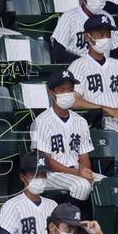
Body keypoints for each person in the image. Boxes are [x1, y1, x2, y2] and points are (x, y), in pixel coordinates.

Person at [33, 70, 100, 205]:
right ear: (52, 93)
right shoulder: (41, 121)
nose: (67, 93)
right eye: (62, 90)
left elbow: (84, 157)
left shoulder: (80, 121)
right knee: (81, 185)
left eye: (70, 89)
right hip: (50, 174)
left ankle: (93, 223)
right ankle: (67, 223)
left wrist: (84, 171)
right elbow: (45, 160)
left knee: (105, 183)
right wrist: (76, 173)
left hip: (74, 171)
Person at [52, 0, 118, 62]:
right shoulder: (69, 17)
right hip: (77, 69)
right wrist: (86, 64)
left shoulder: (107, 17)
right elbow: (57, 53)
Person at [0, 151, 57, 234]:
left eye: (43, 175)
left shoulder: (53, 205)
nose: (40, 179)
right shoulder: (12, 205)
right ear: (22, 177)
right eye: (35, 175)